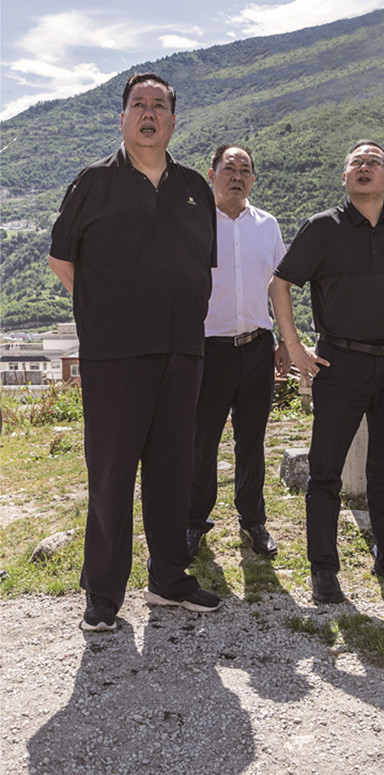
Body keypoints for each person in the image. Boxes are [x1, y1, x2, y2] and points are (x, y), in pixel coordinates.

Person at [48, 72, 222, 632]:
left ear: (172, 119)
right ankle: (103, 594)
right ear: (122, 117)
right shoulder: (93, 182)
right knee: (112, 472)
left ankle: (169, 578)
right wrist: (106, 311)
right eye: (139, 104)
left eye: (159, 105)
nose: (149, 113)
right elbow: (61, 259)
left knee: (173, 469)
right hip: (115, 354)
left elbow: (201, 265)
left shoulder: (195, 187)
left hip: (183, 351)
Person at [269, 140, 384, 604]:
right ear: (344, 177)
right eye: (356, 162)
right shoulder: (322, 228)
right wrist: (294, 346)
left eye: (375, 162)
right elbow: (280, 283)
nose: (365, 167)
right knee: (325, 470)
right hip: (339, 362)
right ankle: (324, 568)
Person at [186, 144, 289, 561]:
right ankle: (194, 521)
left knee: (252, 440)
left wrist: (286, 340)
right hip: (208, 350)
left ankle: (253, 520)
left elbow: (278, 286)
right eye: (229, 168)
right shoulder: (194, 223)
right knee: (202, 442)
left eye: (245, 170)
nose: (237, 176)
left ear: (253, 179)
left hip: (257, 348)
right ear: (211, 174)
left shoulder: (267, 225)